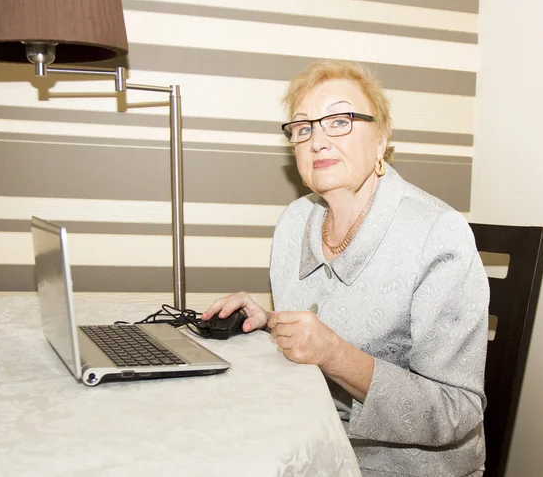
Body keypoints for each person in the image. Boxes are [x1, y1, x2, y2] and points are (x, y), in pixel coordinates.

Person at [202, 60, 489, 477]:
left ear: (381, 139)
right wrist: (267, 322)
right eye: (303, 128)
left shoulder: (438, 234)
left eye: (339, 121)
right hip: (309, 441)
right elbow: (321, 329)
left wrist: (335, 355)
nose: (317, 140)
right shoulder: (293, 222)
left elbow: (456, 409)